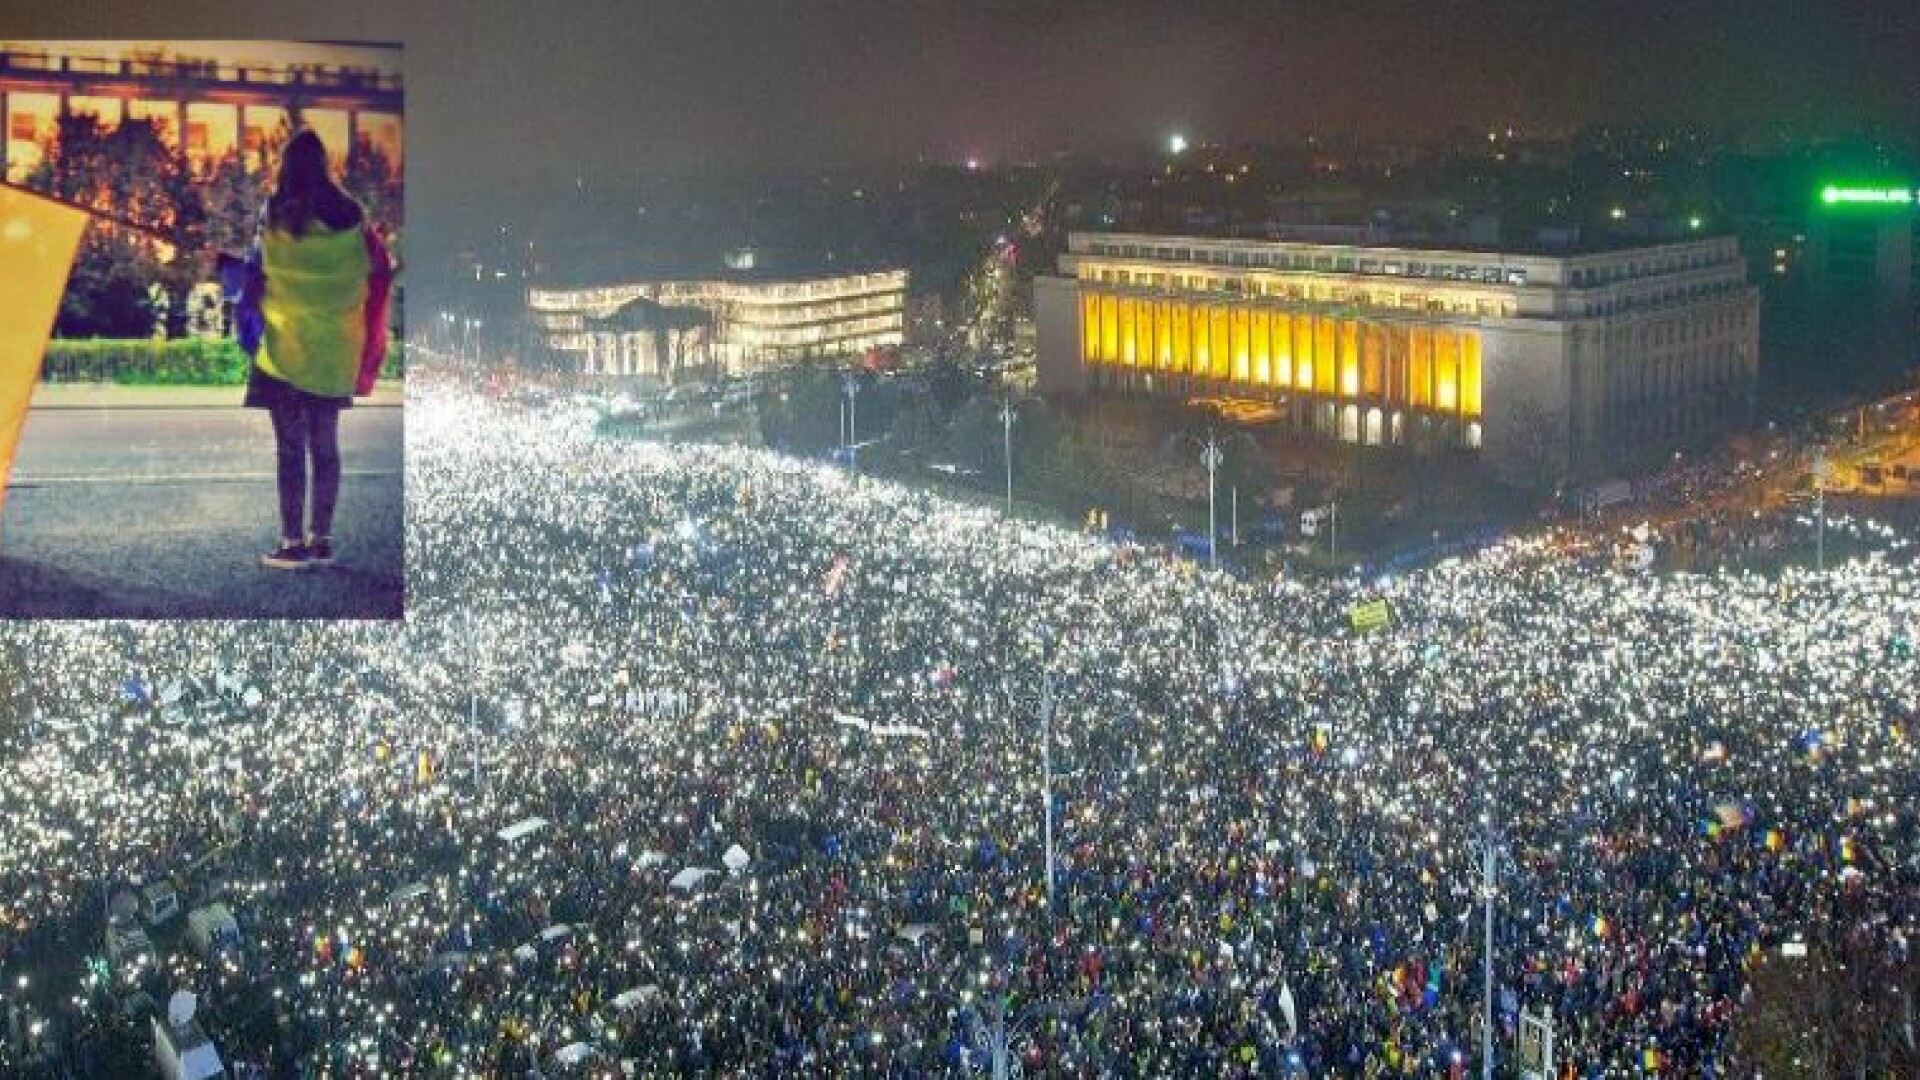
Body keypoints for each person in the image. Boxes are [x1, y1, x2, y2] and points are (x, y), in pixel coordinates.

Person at [235, 127, 393, 570]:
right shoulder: (352, 215)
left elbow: (258, 271)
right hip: (335, 350)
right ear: (325, 165)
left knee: (290, 447)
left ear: (285, 166)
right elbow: (378, 269)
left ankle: (291, 543)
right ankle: (321, 540)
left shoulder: (277, 214)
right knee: (325, 445)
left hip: (286, 349)